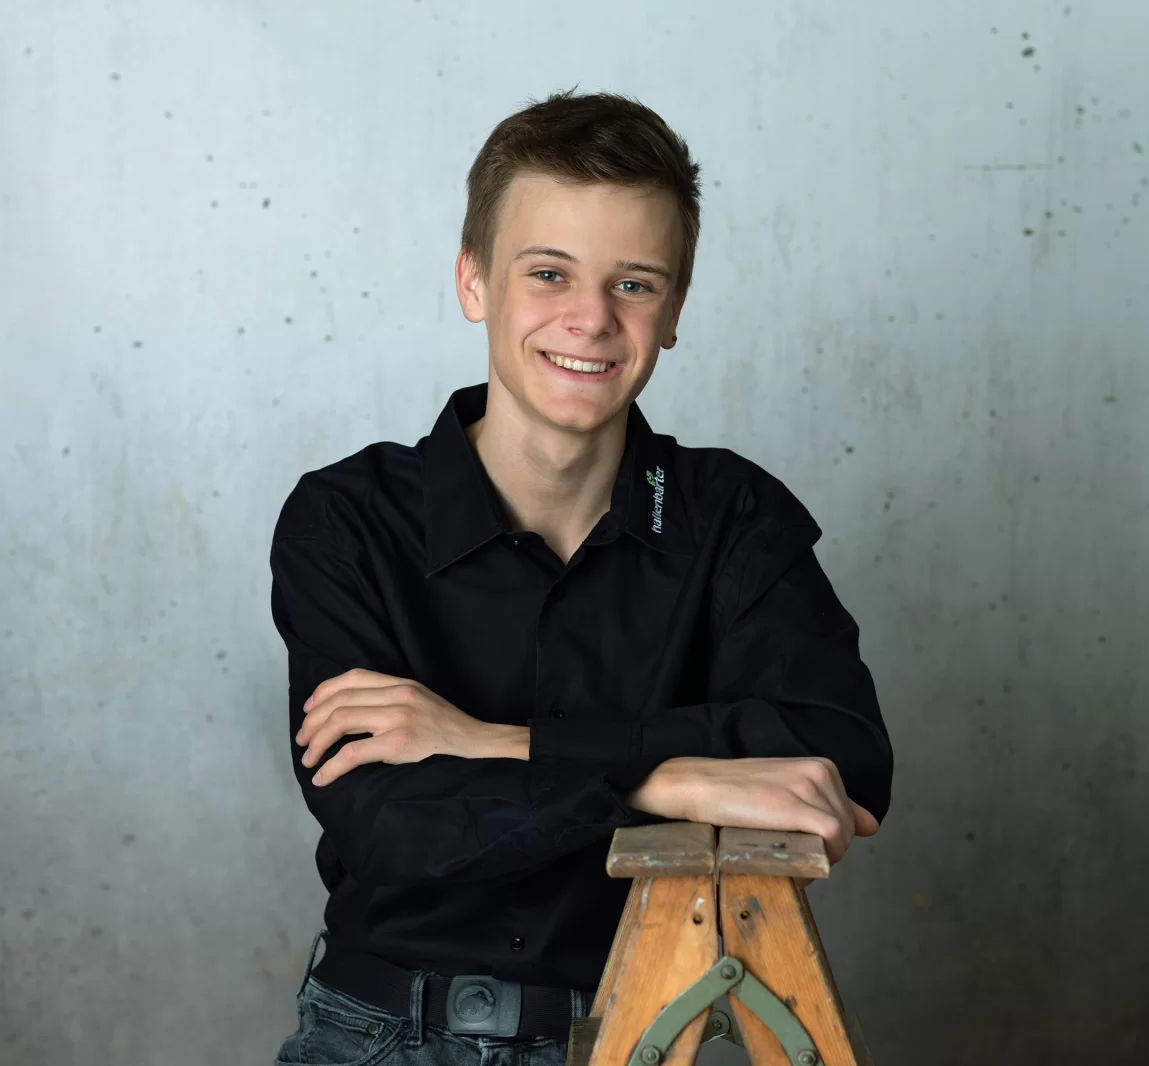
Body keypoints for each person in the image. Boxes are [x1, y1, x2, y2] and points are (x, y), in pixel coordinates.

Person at [267, 89, 892, 1066]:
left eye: (633, 284)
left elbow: (841, 766)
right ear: (474, 281)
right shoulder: (347, 519)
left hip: (639, 1032)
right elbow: (394, 825)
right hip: (385, 1038)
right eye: (549, 273)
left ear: (673, 311)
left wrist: (495, 742)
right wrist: (669, 776)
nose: (591, 319)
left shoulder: (733, 517)